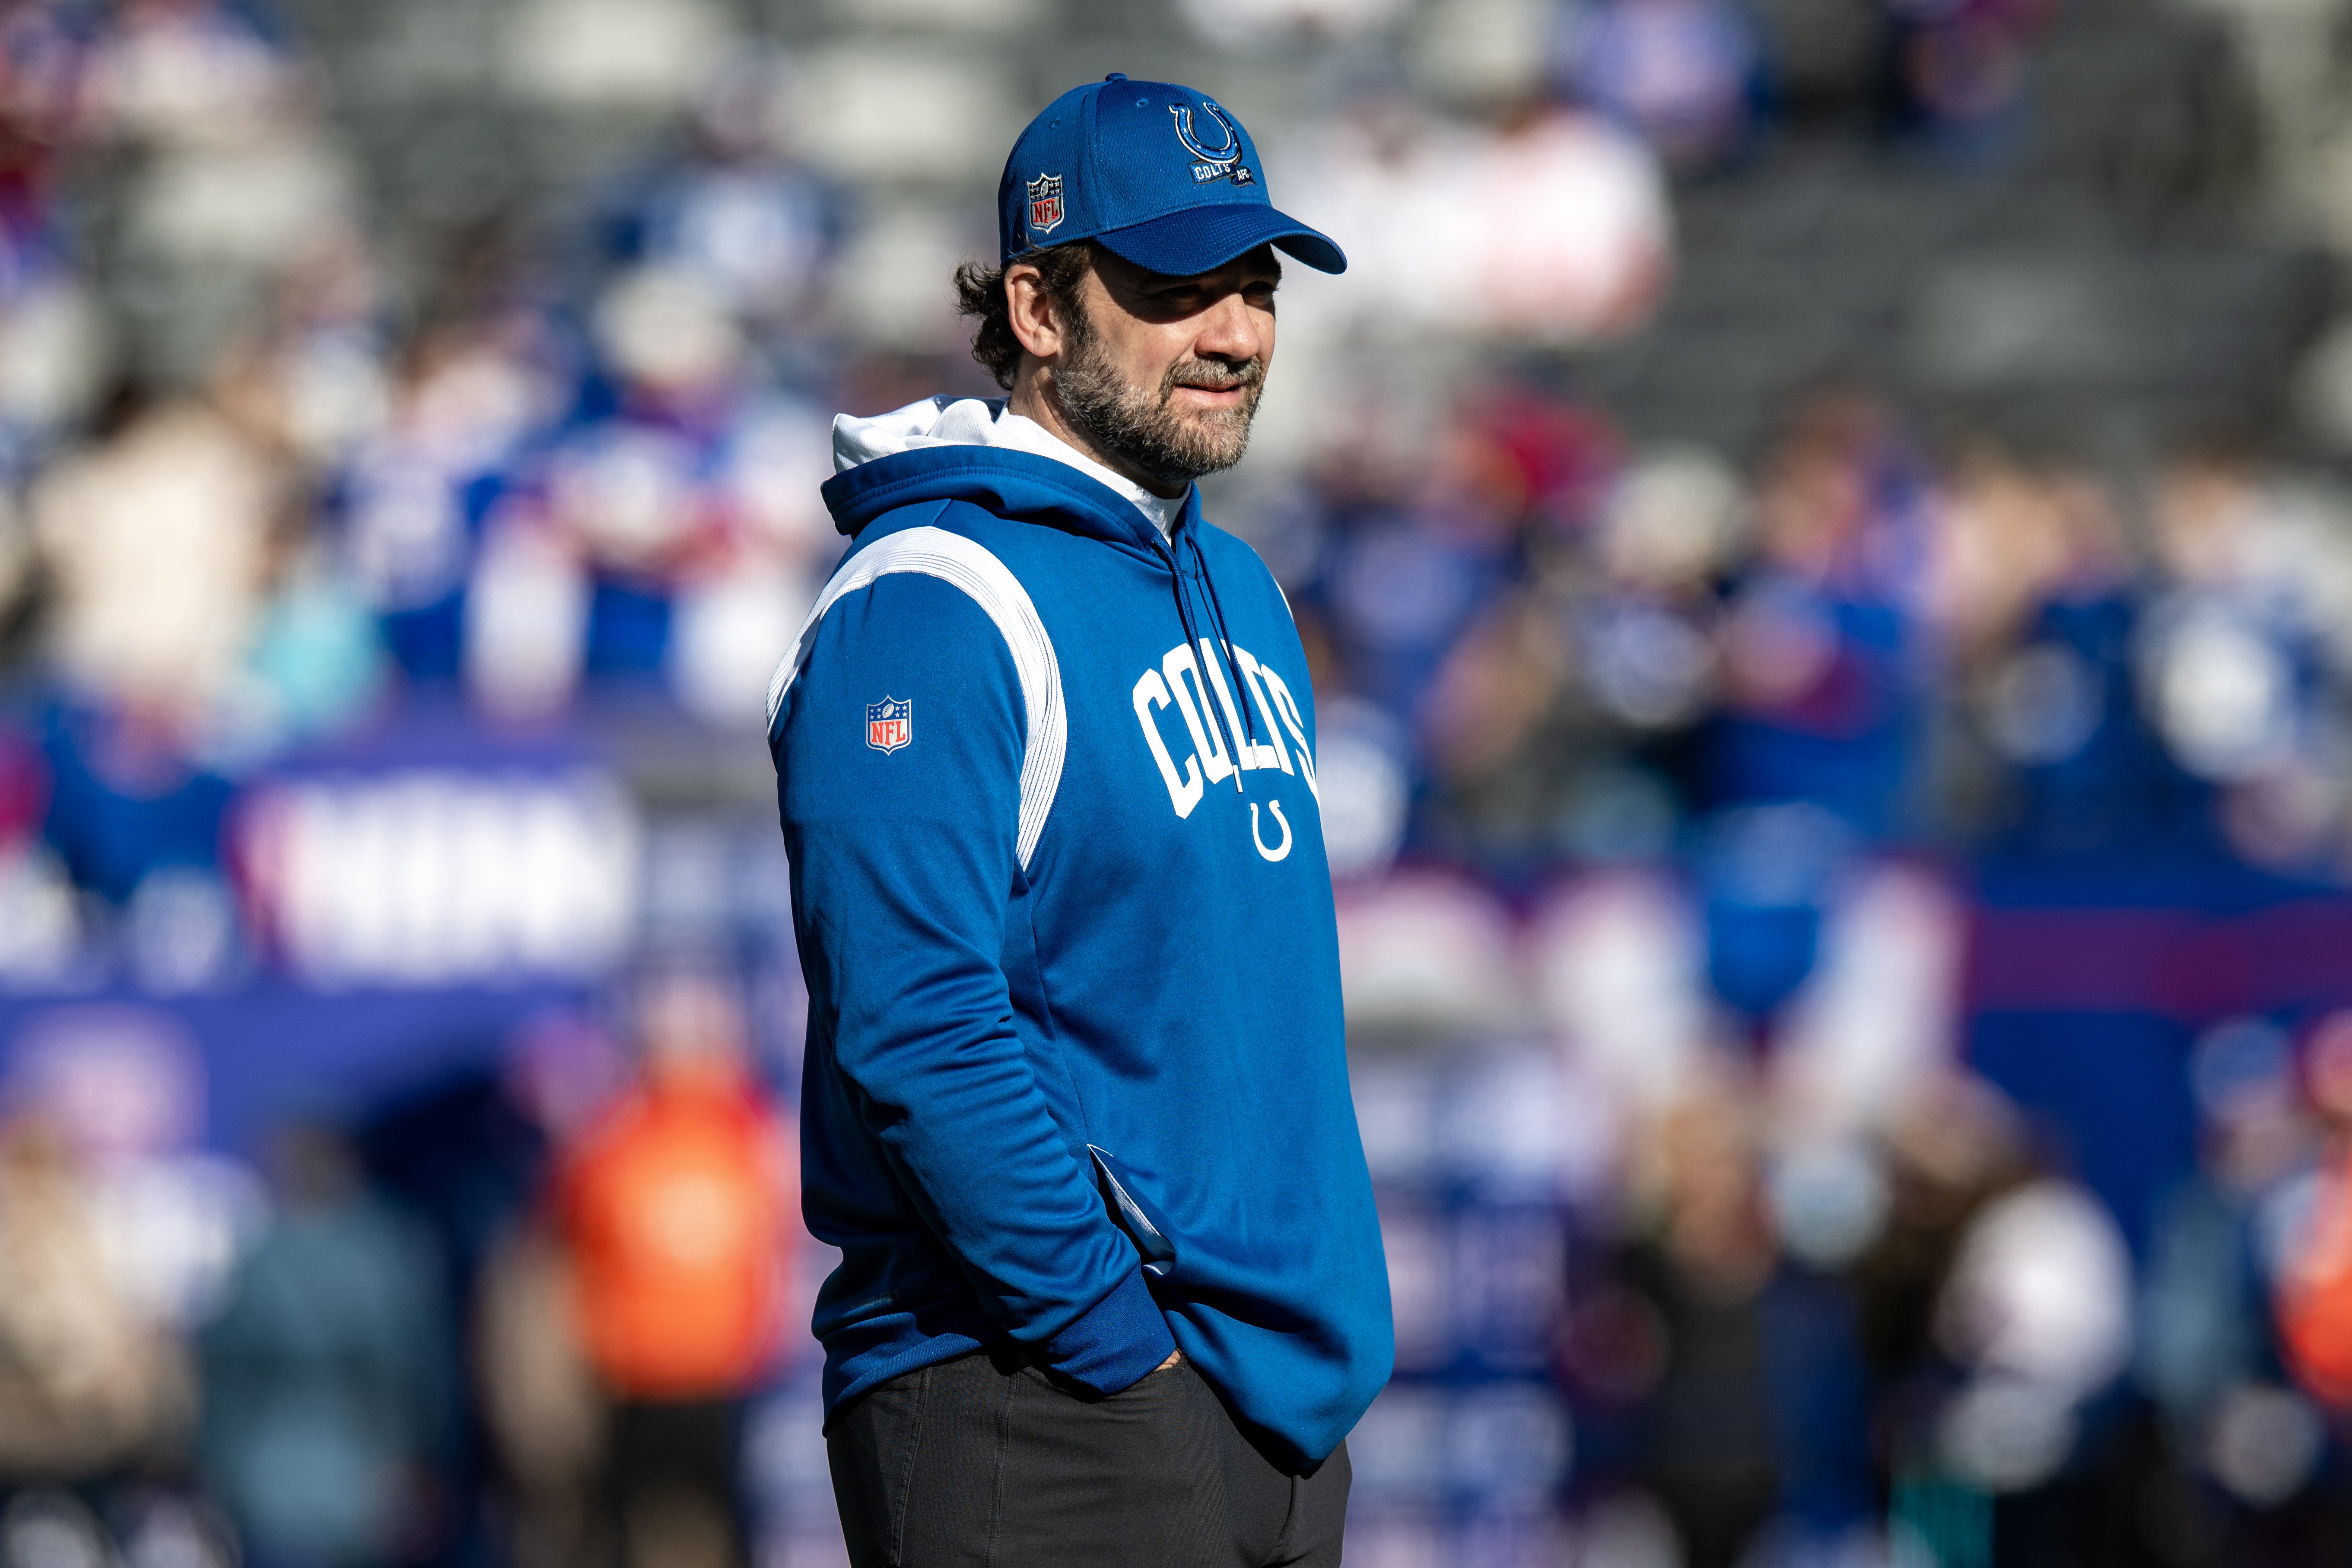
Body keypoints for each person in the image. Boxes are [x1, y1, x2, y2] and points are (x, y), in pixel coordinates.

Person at [766, 74, 1392, 1566]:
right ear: (1038, 310)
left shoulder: (1237, 583)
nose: (1235, 332)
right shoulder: (931, 598)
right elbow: (916, 1022)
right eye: (1176, 289)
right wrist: (1117, 1346)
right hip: (1038, 1398)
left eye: (1254, 285)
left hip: (1268, 1412)